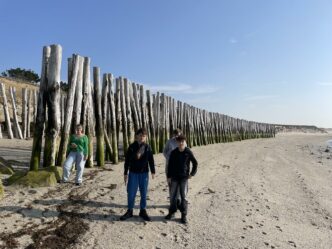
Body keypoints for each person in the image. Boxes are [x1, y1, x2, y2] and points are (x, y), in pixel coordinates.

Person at [120, 128, 156, 221]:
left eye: (143, 136)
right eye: (140, 135)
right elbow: (127, 160)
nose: (141, 137)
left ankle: (142, 210)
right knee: (131, 192)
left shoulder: (148, 147)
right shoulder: (132, 147)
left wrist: (153, 171)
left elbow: (151, 160)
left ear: (146, 137)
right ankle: (130, 211)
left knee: (144, 193)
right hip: (133, 173)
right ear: (136, 136)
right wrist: (125, 173)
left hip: (144, 173)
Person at [165, 135, 197, 224]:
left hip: (184, 178)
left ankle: (183, 215)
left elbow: (195, 163)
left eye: (183, 141)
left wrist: (192, 174)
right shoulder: (174, 152)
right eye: (179, 141)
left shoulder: (188, 151)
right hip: (174, 177)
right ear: (177, 142)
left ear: (185, 142)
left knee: (184, 197)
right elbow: (170, 165)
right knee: (173, 196)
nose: (181, 143)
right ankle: (171, 212)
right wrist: (168, 177)